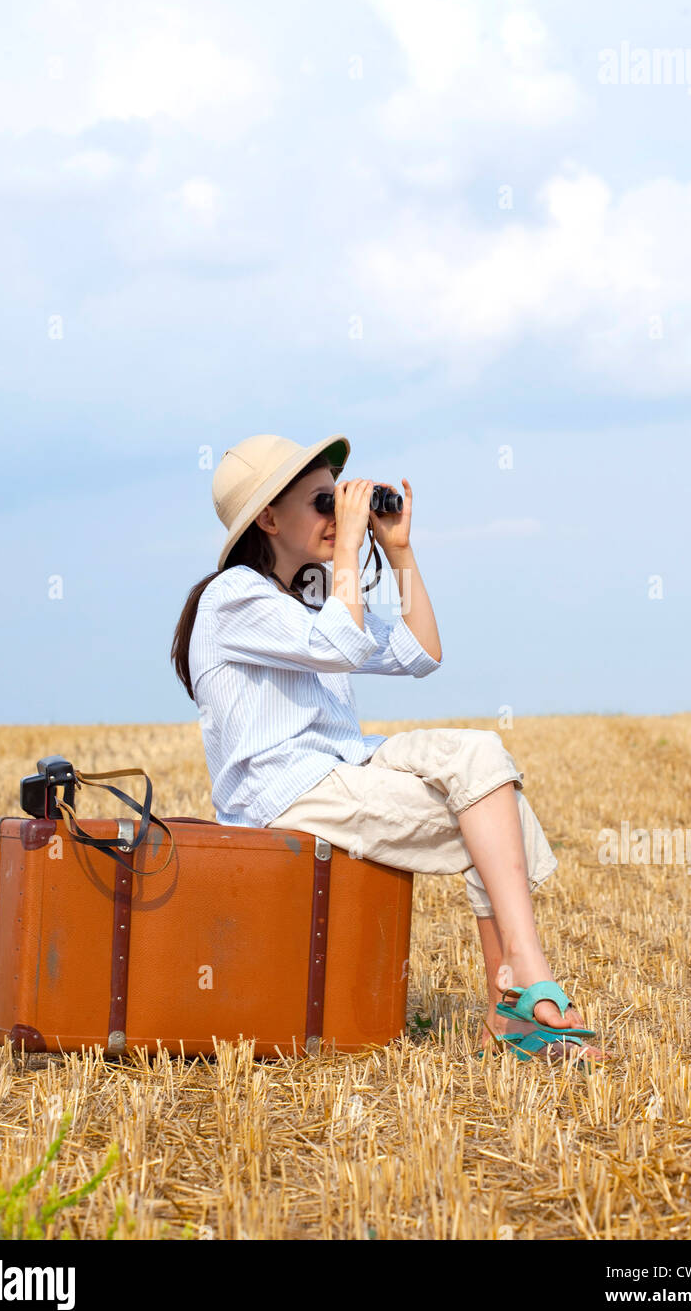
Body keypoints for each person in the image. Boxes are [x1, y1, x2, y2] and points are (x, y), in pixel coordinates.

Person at [171, 433, 608, 1064]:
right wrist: (350, 544)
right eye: (325, 502)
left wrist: (399, 552)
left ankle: (519, 997)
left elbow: (420, 652)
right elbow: (341, 647)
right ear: (268, 518)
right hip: (283, 793)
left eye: (341, 500)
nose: (338, 512)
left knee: (480, 757)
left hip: (344, 765)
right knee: (492, 817)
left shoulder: (314, 597)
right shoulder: (232, 597)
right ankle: (519, 1001)